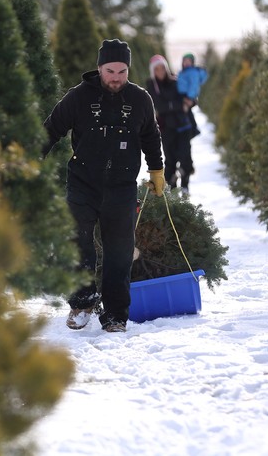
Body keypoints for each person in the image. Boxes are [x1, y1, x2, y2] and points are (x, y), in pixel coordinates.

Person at [43, 39, 165, 333]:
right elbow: (50, 129)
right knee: (79, 243)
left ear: (128, 70)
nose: (116, 77)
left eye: (122, 71)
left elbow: (150, 135)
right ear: (99, 68)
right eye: (110, 70)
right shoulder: (79, 97)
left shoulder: (140, 99)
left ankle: (114, 315)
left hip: (121, 187)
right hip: (83, 183)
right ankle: (82, 303)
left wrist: (157, 168)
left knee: (120, 253)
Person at [146, 54, 194, 193]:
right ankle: (171, 191)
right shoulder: (151, 86)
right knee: (170, 160)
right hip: (166, 129)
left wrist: (189, 102)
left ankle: (185, 188)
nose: (160, 71)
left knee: (185, 159)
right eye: (157, 69)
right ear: (153, 71)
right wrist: (179, 105)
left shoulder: (176, 81)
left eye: (162, 68)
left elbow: (191, 98)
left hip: (183, 126)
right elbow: (160, 106)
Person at [177, 53, 208, 138]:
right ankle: (190, 129)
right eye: (184, 61)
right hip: (182, 95)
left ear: (192, 62)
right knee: (186, 113)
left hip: (187, 95)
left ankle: (193, 129)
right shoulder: (184, 71)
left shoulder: (192, 72)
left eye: (188, 61)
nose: (186, 63)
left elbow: (194, 86)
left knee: (187, 113)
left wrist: (189, 97)